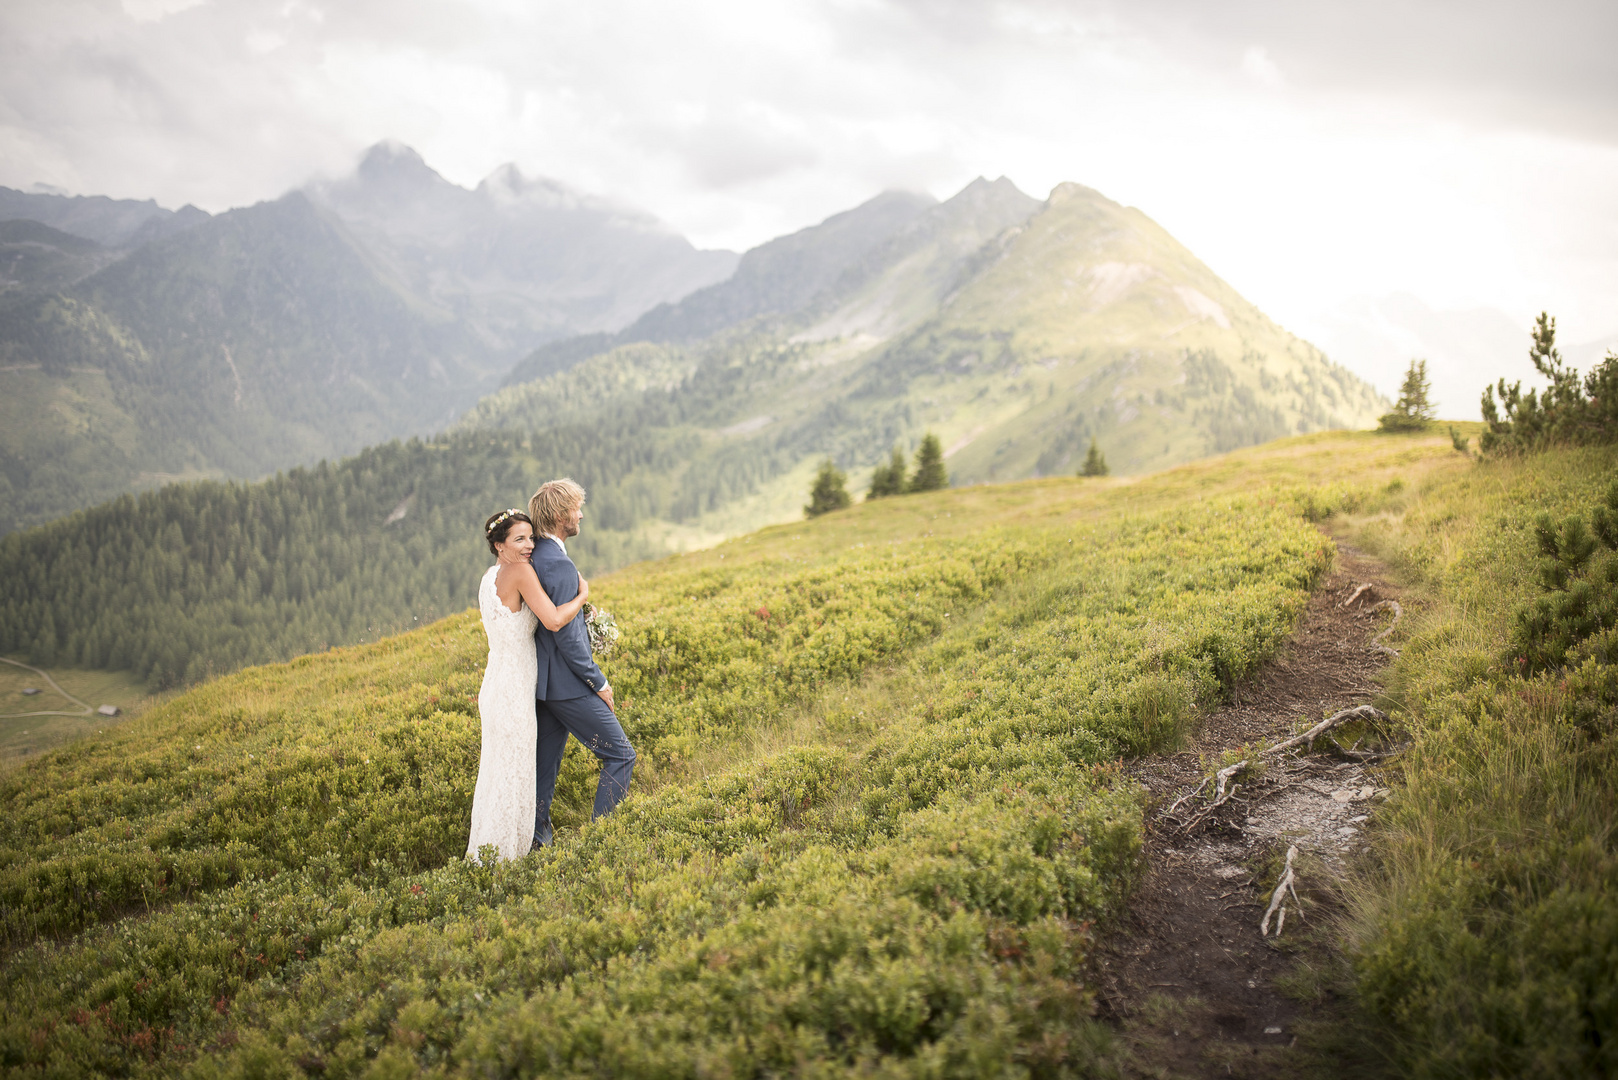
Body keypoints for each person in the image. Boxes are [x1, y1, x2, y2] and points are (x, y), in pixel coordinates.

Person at [465, 508, 590, 862]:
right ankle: (509, 858)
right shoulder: (520, 571)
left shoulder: (490, 577)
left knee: (497, 775)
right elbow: (551, 619)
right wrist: (581, 597)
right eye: (519, 539)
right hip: (514, 689)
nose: (529, 546)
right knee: (515, 775)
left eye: (531, 537)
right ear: (499, 545)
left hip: (495, 685)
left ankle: (488, 854)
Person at [528, 478, 636, 848]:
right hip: (568, 685)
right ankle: (603, 840)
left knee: (544, 771)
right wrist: (599, 682)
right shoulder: (557, 563)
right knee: (621, 754)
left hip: (544, 685)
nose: (581, 514)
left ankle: (537, 843)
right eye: (576, 508)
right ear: (560, 516)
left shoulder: (536, 555)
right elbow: (568, 638)